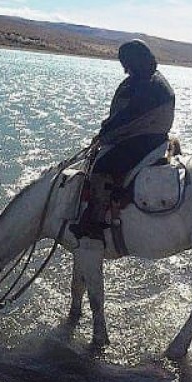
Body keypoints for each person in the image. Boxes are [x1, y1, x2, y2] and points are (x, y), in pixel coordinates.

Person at [72, 40, 175, 240]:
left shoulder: (149, 85)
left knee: (103, 165)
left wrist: (104, 132)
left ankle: (95, 220)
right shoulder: (146, 78)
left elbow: (128, 116)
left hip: (146, 138)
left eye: (126, 64)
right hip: (148, 133)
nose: (125, 69)